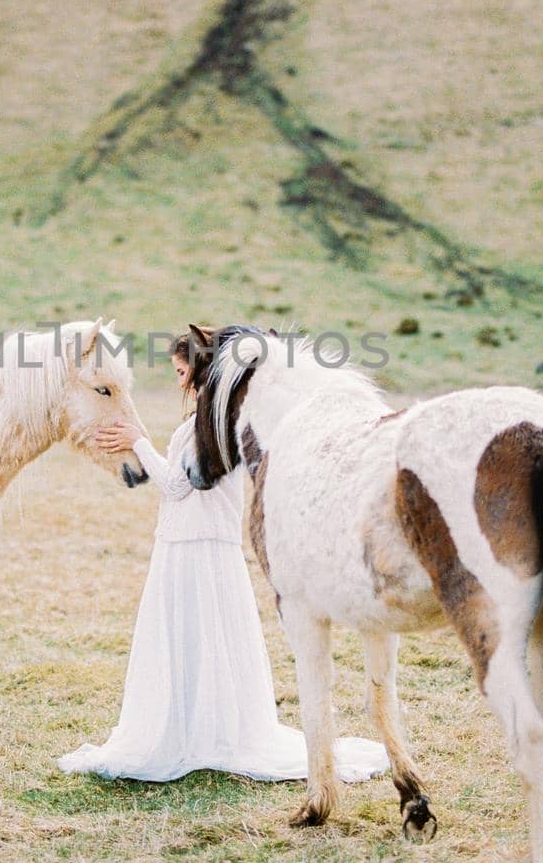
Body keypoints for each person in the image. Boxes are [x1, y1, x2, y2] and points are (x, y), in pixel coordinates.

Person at [58, 328, 388, 783]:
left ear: (197, 368)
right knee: (207, 642)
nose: (178, 382)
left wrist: (138, 442)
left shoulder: (208, 425)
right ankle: (203, 730)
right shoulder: (215, 420)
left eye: (180, 371)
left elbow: (178, 484)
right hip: (199, 543)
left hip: (193, 546)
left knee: (194, 638)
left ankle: (194, 735)